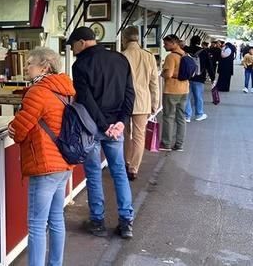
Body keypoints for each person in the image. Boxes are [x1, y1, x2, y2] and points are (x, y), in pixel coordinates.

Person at [8, 47, 75, 266]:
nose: (26, 67)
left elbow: (20, 129)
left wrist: (13, 127)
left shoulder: (38, 91)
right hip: (64, 162)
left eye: (30, 63)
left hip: (45, 164)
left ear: (44, 66)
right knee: (56, 219)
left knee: (36, 225)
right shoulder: (66, 89)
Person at [67, 27, 135, 239]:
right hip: (116, 127)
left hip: (92, 127)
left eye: (73, 45)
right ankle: (126, 222)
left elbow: (86, 100)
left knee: (94, 175)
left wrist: (104, 125)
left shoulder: (80, 65)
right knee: (119, 173)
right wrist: (121, 122)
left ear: (82, 42)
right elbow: (129, 94)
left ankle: (97, 221)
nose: (72, 50)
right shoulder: (120, 59)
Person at [121, 27, 159, 181]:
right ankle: (133, 168)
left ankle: (125, 161)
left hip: (124, 100)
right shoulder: (148, 56)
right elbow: (154, 82)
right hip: (142, 100)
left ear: (124, 39)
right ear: (138, 39)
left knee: (124, 134)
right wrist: (155, 103)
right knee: (139, 135)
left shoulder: (121, 56)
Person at [160, 35, 189, 152]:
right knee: (181, 118)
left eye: (166, 44)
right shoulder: (185, 55)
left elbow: (168, 74)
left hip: (172, 90)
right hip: (184, 90)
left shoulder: (171, 57)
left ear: (173, 43)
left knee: (168, 117)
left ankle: (166, 143)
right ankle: (179, 144)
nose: (164, 46)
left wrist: (163, 73)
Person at [183, 36, 215, 122]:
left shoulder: (186, 50)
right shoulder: (204, 52)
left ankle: (187, 116)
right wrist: (212, 78)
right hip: (199, 77)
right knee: (198, 97)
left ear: (190, 41)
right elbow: (209, 66)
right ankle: (199, 114)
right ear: (199, 42)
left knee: (187, 97)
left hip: (187, 77)